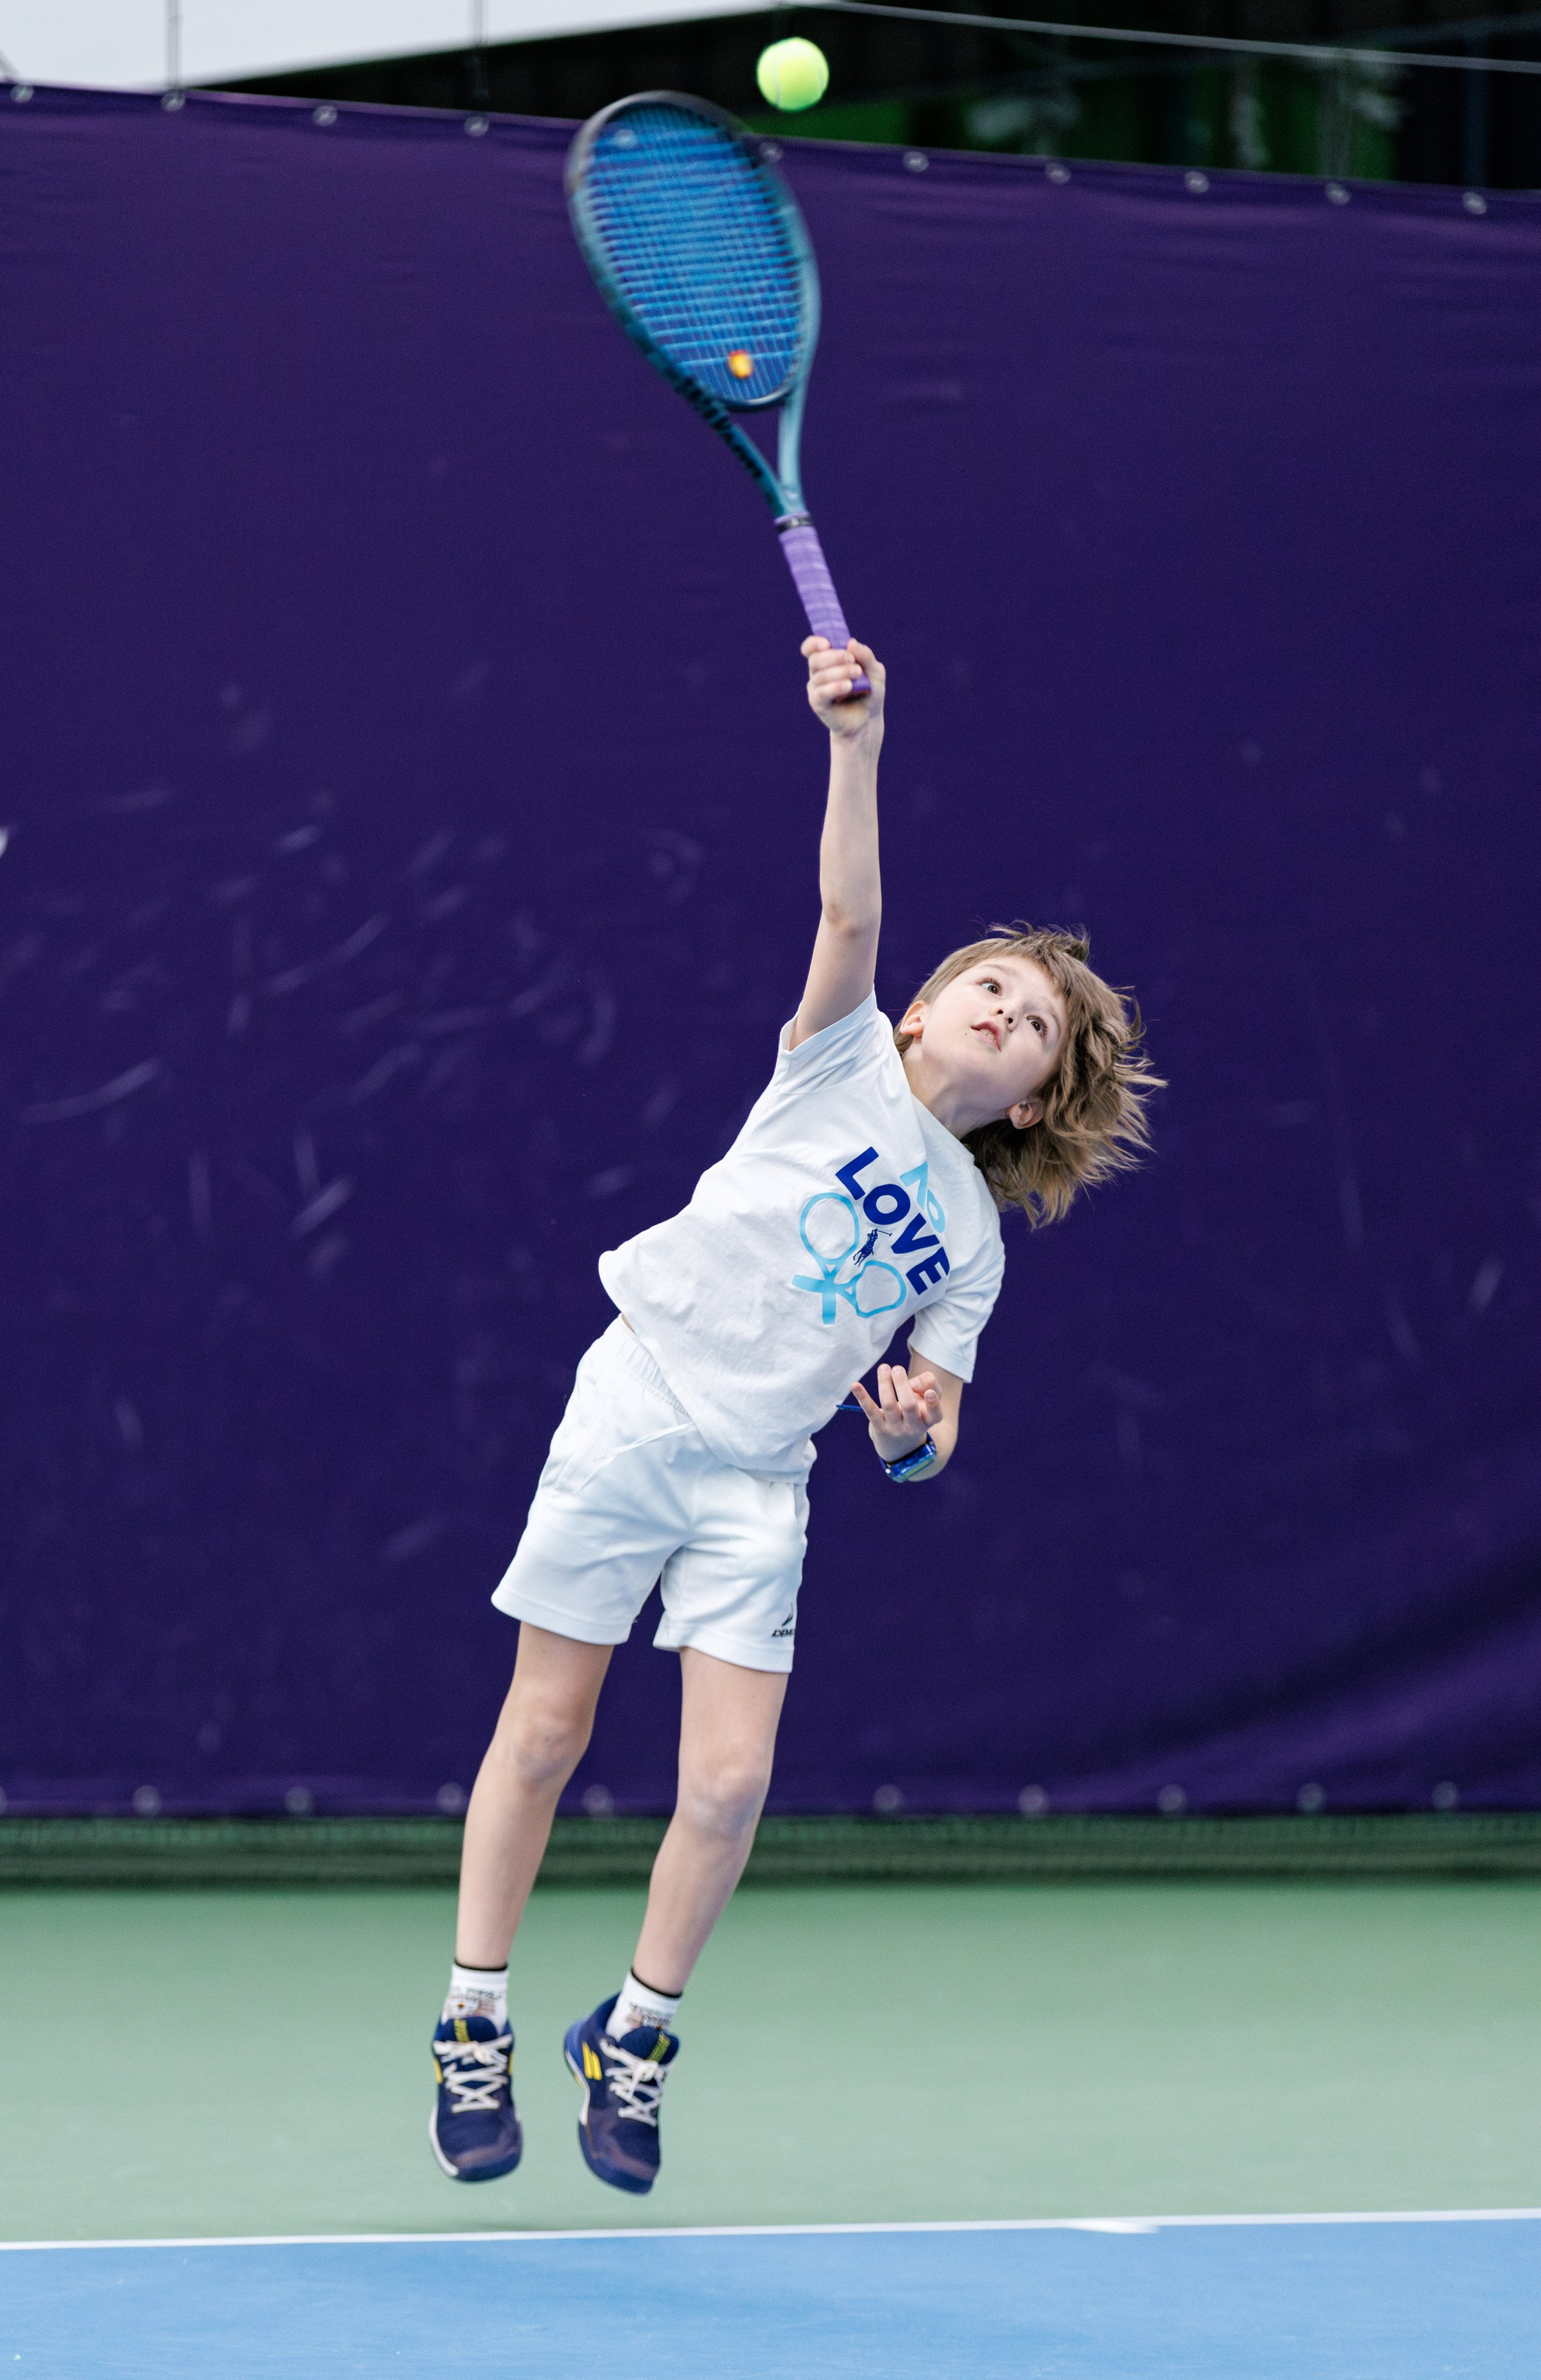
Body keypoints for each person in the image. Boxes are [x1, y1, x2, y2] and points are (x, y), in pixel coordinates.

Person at [428, 630, 1159, 2193]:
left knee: (731, 1780)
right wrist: (857, 739)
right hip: (636, 1399)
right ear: (916, 1013)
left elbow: (932, 1418)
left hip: (759, 1477)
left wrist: (907, 1427)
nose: (998, 1008)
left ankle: (628, 2036)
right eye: (985, 982)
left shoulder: (966, 1239)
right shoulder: (834, 1055)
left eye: (1027, 1021)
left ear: (1029, 1096)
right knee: (546, 1727)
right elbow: (849, 905)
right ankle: (470, 2014)